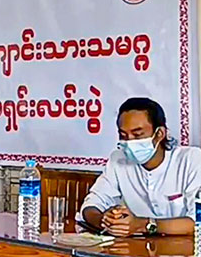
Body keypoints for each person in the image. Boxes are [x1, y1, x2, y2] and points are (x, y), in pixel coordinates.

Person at [81, 97, 201, 237]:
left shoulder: (191, 160)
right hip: (135, 247)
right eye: (123, 136)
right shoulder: (118, 160)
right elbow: (91, 205)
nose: (129, 142)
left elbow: (197, 222)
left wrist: (143, 225)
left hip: (184, 248)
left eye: (137, 135)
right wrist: (105, 221)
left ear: (159, 134)